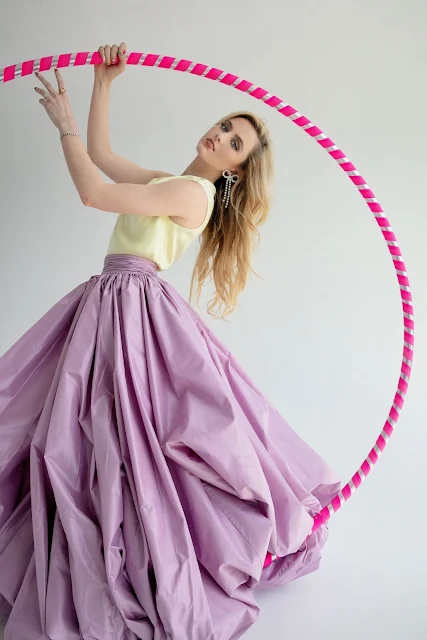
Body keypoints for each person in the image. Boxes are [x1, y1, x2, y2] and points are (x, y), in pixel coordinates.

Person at [0, 42, 340, 640]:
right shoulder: (174, 180)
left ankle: (141, 536)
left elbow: (93, 192)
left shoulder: (192, 194)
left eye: (234, 142)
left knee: (125, 422)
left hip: (132, 304)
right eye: (224, 126)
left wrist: (64, 127)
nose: (221, 136)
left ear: (236, 170)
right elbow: (104, 159)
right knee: (86, 414)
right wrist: (105, 83)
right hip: (110, 295)